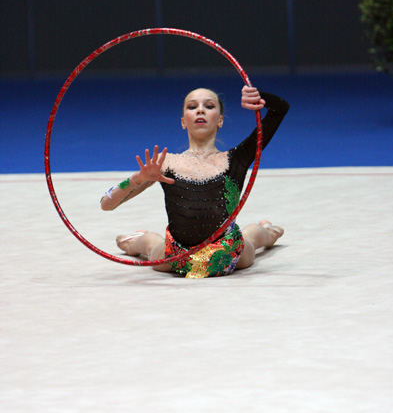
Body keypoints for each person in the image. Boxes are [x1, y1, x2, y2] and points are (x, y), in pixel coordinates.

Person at [100, 85, 289, 278]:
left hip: (228, 255)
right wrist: (138, 178)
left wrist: (258, 96)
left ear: (220, 120)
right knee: (151, 244)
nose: (200, 110)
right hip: (175, 256)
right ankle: (139, 238)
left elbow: (281, 109)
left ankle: (267, 230)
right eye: (192, 106)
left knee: (253, 236)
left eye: (209, 105)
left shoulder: (238, 158)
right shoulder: (165, 163)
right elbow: (106, 204)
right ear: (183, 122)